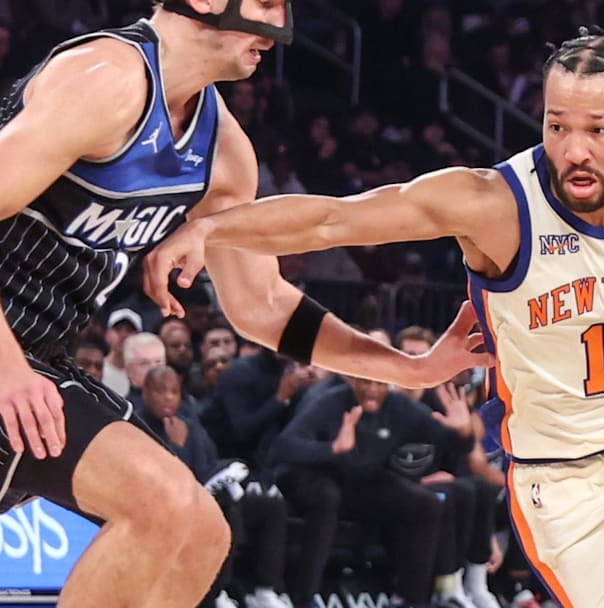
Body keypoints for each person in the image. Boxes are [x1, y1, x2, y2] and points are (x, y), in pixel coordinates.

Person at [145, 27, 604, 607]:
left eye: (596, 129)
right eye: (557, 125)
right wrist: (207, 231)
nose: (573, 149)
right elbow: (332, 219)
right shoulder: (493, 203)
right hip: (569, 479)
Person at [0, 1, 488, 606]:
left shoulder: (224, 150)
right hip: (10, 354)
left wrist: (408, 368)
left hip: (37, 356)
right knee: (166, 506)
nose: (283, 27)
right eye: (267, 3)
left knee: (199, 530)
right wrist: (8, 368)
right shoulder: (106, 78)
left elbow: (264, 306)